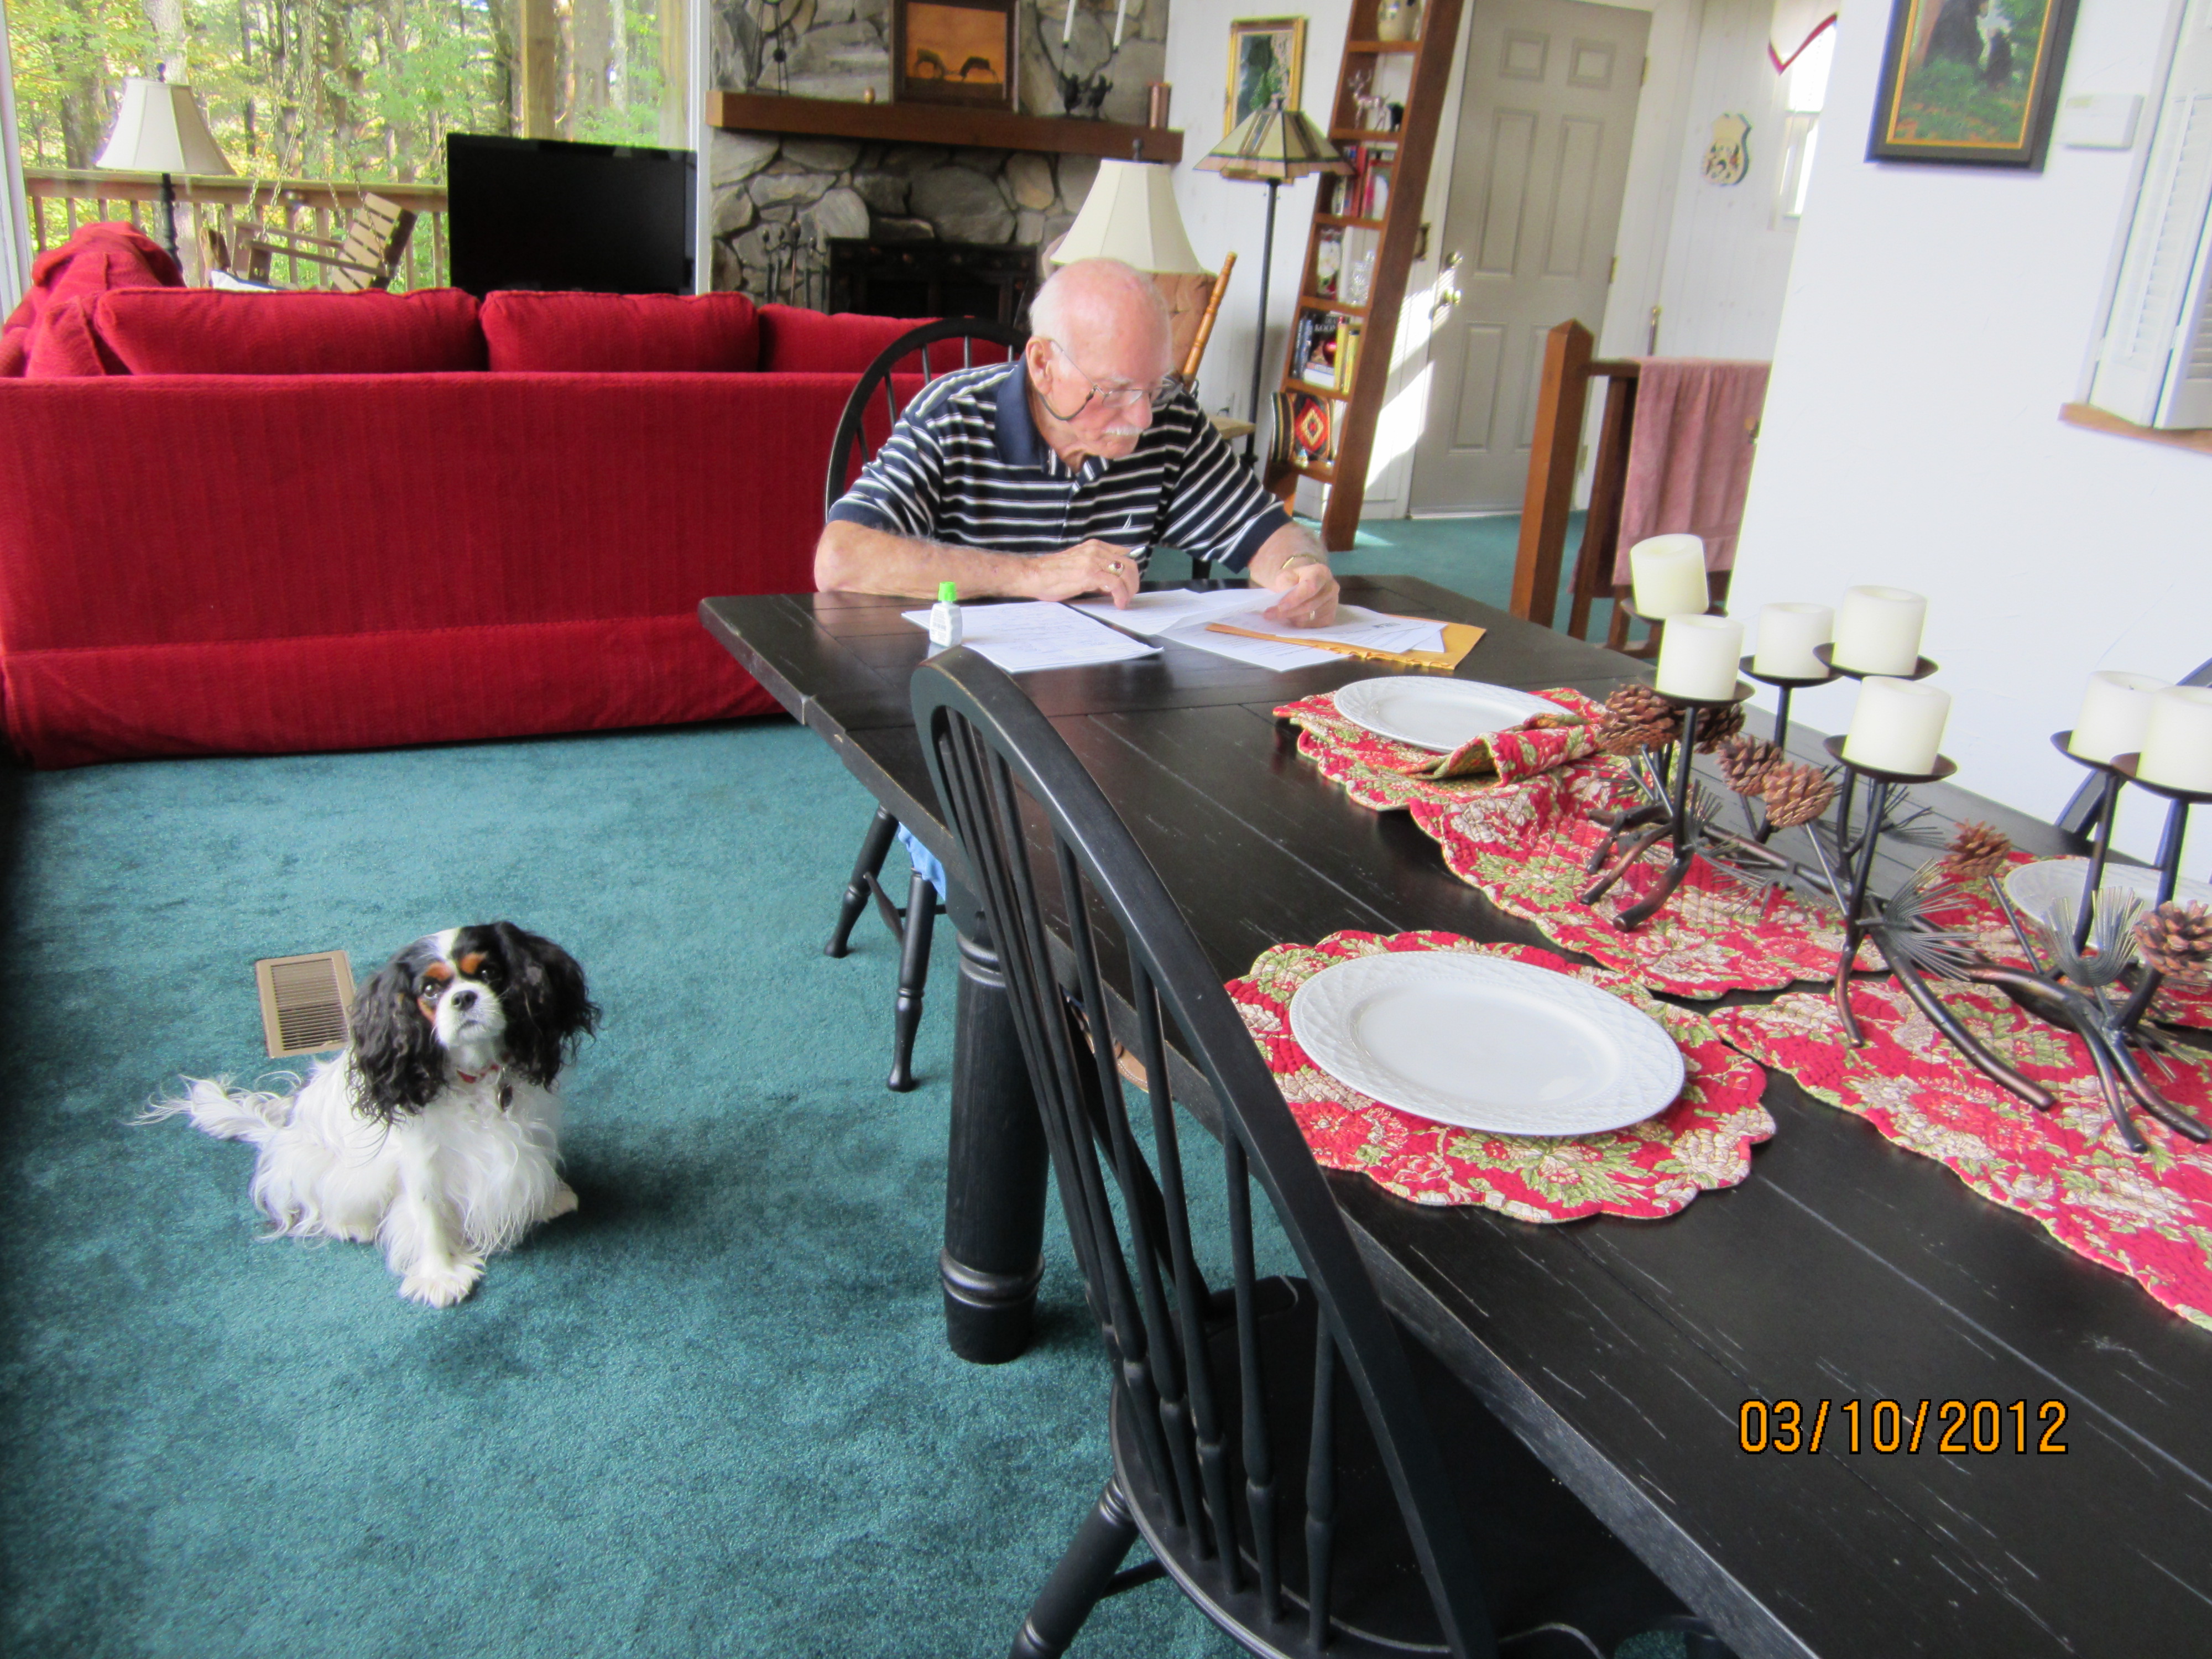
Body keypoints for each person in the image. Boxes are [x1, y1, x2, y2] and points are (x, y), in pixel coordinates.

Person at [815, 257, 1339, 628]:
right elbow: (840, 559)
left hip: (1110, 689)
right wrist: (1035, 574)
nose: (1141, 416)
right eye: (1114, 391)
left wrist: (1300, 570)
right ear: (1043, 365)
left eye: (1154, 386)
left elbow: (1269, 534)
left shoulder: (1170, 420)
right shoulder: (952, 414)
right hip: (970, 687)